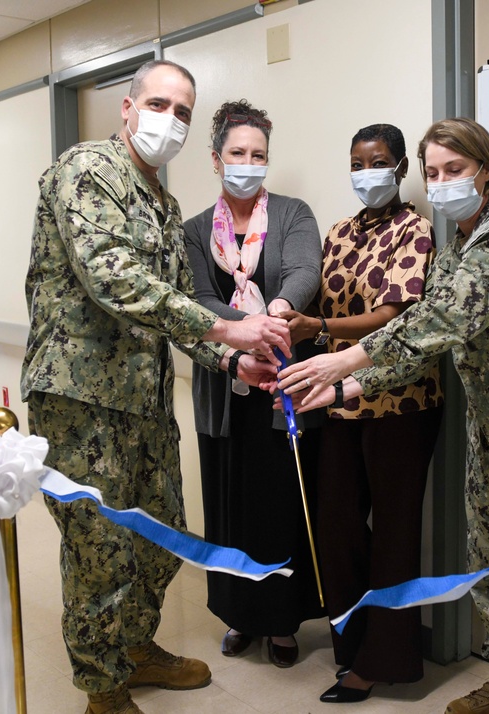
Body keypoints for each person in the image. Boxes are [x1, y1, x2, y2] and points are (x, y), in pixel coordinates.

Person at [277, 117, 489, 714]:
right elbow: (421, 343)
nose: (441, 183)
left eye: (454, 170)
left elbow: (445, 319)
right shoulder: (457, 248)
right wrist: (345, 389)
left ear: (486, 169)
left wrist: (346, 357)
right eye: (433, 173)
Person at [21, 60, 290, 714]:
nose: (169, 120)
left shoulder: (162, 204)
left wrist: (231, 363)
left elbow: (171, 303)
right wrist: (229, 334)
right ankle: (103, 688)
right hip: (82, 400)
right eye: (159, 104)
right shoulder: (86, 173)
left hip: (140, 401)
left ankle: (134, 646)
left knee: (161, 533)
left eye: (183, 112)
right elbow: (116, 283)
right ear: (127, 106)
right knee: (100, 551)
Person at [277, 123, 443, 704]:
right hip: (338, 402)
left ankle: (384, 661)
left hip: (399, 402)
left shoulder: (415, 229)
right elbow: (315, 294)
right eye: (355, 162)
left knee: (395, 536)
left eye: (376, 162)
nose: (364, 172)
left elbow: (395, 314)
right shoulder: (340, 232)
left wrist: (319, 329)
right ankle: (349, 645)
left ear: (400, 168)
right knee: (338, 527)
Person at [183, 99, 325, 669]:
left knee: (283, 503)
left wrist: (280, 312)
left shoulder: (293, 213)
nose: (248, 162)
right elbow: (198, 300)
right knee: (230, 506)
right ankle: (240, 614)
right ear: (216, 160)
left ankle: (283, 621)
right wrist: (249, 330)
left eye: (258, 154)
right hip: (225, 392)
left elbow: (303, 270)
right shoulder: (194, 231)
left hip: (281, 385)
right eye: (237, 153)